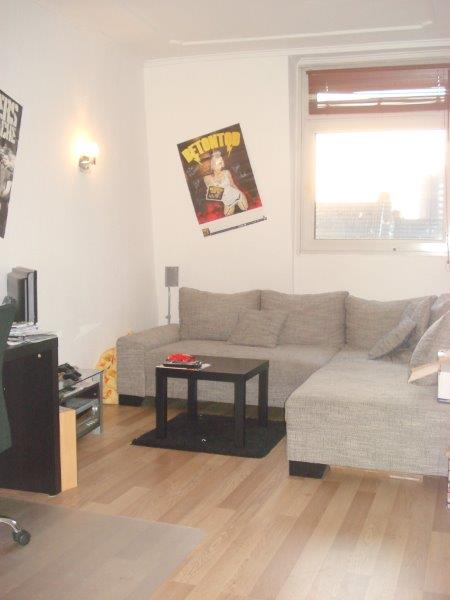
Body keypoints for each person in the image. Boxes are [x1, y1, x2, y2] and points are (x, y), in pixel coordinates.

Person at [203, 150, 248, 217]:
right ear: (212, 165)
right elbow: (213, 194)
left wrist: (240, 192)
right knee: (227, 215)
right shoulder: (207, 178)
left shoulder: (226, 172)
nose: (220, 165)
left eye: (221, 162)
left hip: (237, 195)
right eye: (217, 163)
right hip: (227, 201)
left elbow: (232, 184)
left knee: (245, 209)